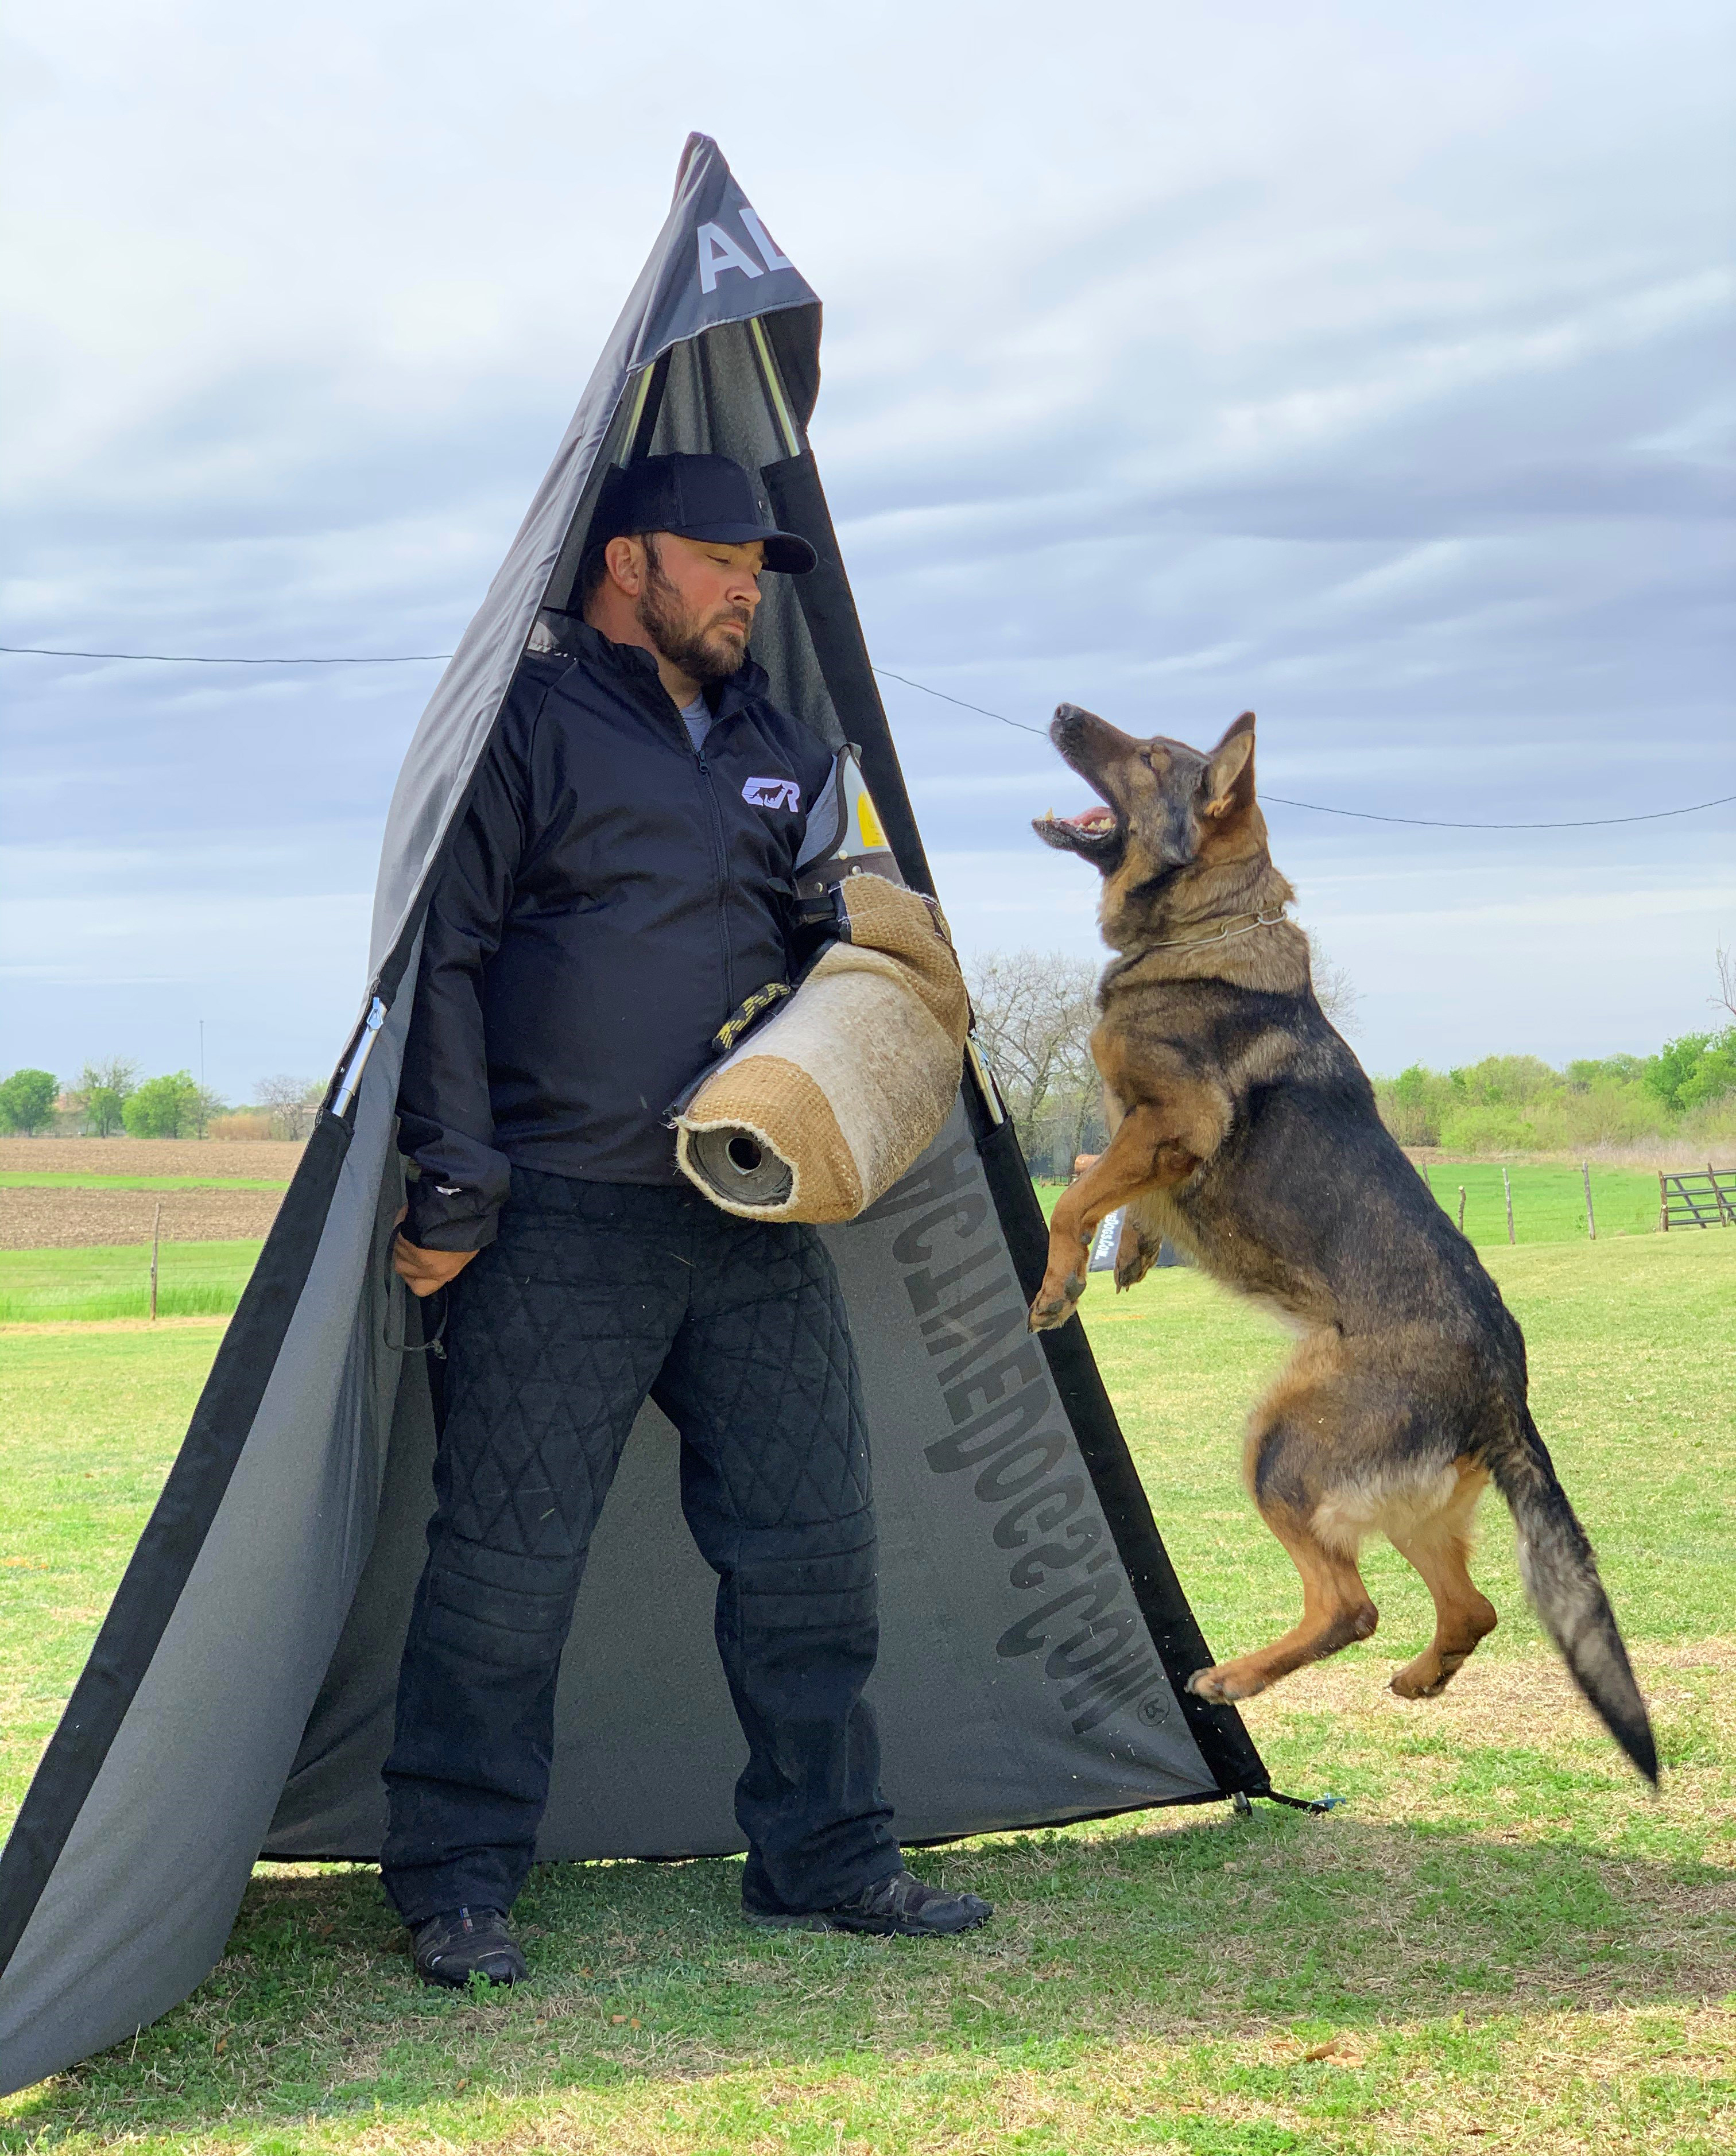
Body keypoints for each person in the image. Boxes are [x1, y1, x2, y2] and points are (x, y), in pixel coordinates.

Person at [386, 451, 993, 1987]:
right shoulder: (527, 721)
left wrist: (888, 958)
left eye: (756, 565)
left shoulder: (785, 742)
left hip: (751, 1221)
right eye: (718, 558)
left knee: (810, 1553)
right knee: (504, 1568)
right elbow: (445, 953)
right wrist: (457, 1183)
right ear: (628, 556)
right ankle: (456, 1880)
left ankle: (825, 1853)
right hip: (559, 1218)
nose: (743, 586)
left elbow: (849, 931)